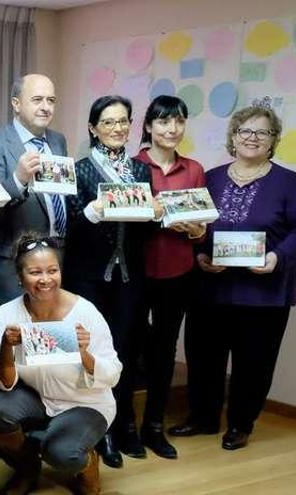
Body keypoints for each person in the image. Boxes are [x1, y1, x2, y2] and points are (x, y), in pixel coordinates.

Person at [170, 105, 296, 451]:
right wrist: (200, 254)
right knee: (204, 355)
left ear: (273, 140)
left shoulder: (289, 182)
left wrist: (277, 256)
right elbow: (194, 225)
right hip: (210, 286)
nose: (252, 138)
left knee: (254, 362)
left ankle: (241, 423)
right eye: (245, 131)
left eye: (262, 132)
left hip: (264, 290)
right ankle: (203, 417)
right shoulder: (210, 178)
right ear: (234, 137)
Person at [0, 234, 121, 495]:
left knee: (60, 453)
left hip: (86, 402)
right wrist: (6, 348)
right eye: (35, 272)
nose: (45, 279)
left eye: (52, 271)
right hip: (40, 397)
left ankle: (88, 462)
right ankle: (27, 468)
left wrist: (84, 355)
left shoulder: (85, 311)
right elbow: (4, 384)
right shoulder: (7, 314)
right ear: (20, 278)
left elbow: (113, 374)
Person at [63, 95, 160, 468]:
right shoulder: (79, 170)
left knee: (123, 348)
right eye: (108, 122)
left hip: (128, 276)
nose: (117, 129)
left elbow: (144, 233)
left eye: (123, 122)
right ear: (93, 128)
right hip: (87, 275)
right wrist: (92, 212)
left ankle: (125, 425)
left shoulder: (140, 171)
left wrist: (155, 214)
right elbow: (68, 227)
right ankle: (97, 432)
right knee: (88, 351)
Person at [131, 95, 207, 459]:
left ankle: (154, 427)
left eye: (178, 121)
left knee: (164, 352)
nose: (171, 129)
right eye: (163, 121)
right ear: (148, 127)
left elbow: (202, 227)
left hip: (178, 271)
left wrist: (195, 231)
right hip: (136, 269)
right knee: (128, 349)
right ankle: (125, 426)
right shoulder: (132, 166)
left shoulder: (193, 169)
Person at [0, 74, 68, 310]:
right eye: (37, 100)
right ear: (16, 104)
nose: (45, 107)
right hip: (10, 265)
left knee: (46, 337)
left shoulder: (58, 141)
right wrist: (18, 179)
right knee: (9, 341)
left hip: (54, 261)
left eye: (51, 100)